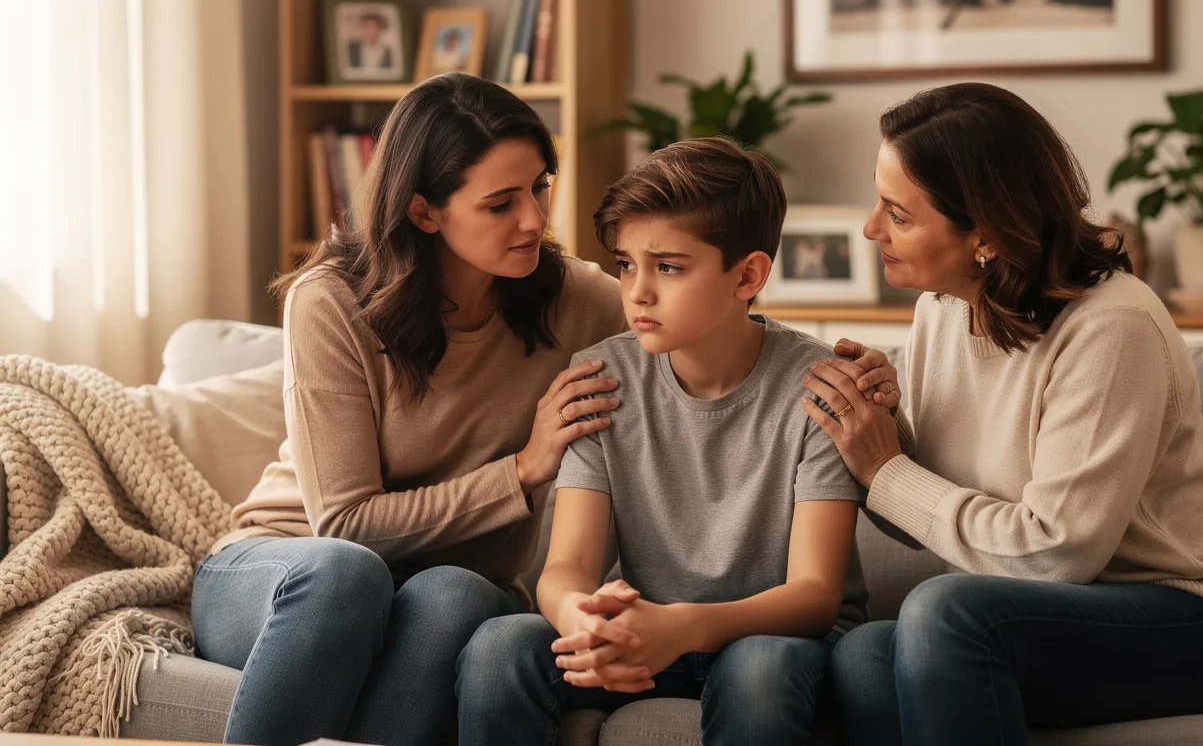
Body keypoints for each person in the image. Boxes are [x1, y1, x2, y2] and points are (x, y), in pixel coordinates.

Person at [803, 82, 1203, 744]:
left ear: (985, 234)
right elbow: (926, 520)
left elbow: (1058, 553)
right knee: (862, 658)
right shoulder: (941, 311)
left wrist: (888, 472)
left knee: (945, 611)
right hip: (1045, 620)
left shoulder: (1111, 326)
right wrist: (882, 432)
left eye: (898, 215)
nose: (870, 229)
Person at [190, 73, 628, 746]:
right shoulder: (333, 300)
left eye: (540, 187)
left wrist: (812, 370)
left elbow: (700, 323)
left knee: (454, 591)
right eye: (500, 204)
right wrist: (522, 470)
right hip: (291, 574)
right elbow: (345, 524)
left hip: (443, 591)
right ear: (424, 212)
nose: (535, 220)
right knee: (348, 574)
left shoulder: (575, 299)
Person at [456, 137, 901, 746]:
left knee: (760, 671)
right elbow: (567, 568)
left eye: (668, 267)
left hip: (776, 640)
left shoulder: (822, 386)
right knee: (501, 645)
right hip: (649, 636)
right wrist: (579, 617)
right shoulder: (600, 378)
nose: (638, 291)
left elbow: (815, 596)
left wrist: (680, 626)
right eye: (625, 264)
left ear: (748, 275)